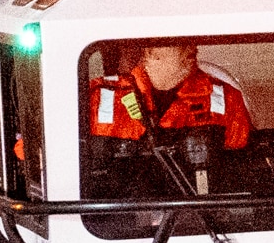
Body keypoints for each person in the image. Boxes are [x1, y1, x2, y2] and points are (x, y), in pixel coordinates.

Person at [85, 38, 251, 173]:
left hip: (195, 211)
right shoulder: (97, 96)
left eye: (190, 39)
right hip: (121, 212)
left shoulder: (227, 97)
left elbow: (241, 170)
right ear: (150, 53)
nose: (192, 47)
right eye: (177, 41)